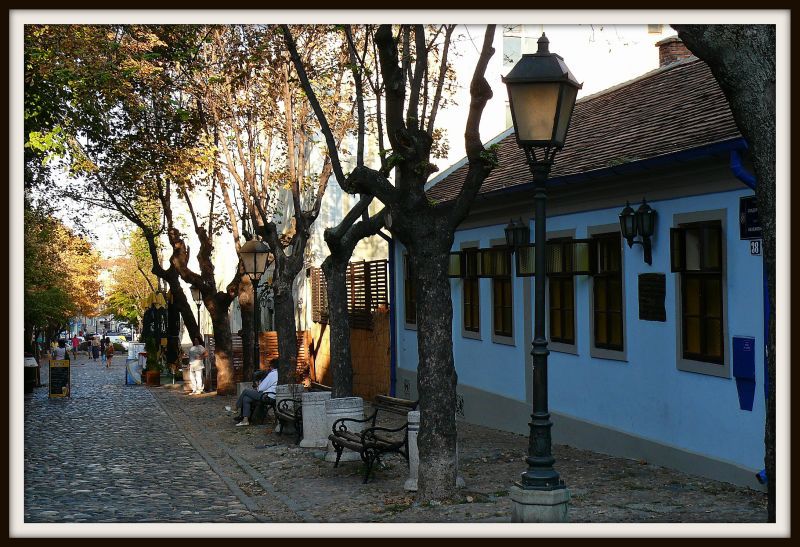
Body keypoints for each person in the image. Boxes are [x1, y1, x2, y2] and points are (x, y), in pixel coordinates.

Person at [234, 359, 278, 427]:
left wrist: (258, 385)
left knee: (245, 391)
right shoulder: (278, 373)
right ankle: (245, 420)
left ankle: (236, 408)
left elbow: (261, 388)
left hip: (267, 396)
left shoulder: (272, 374)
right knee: (246, 398)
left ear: (271, 366)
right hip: (271, 395)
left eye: (269, 366)